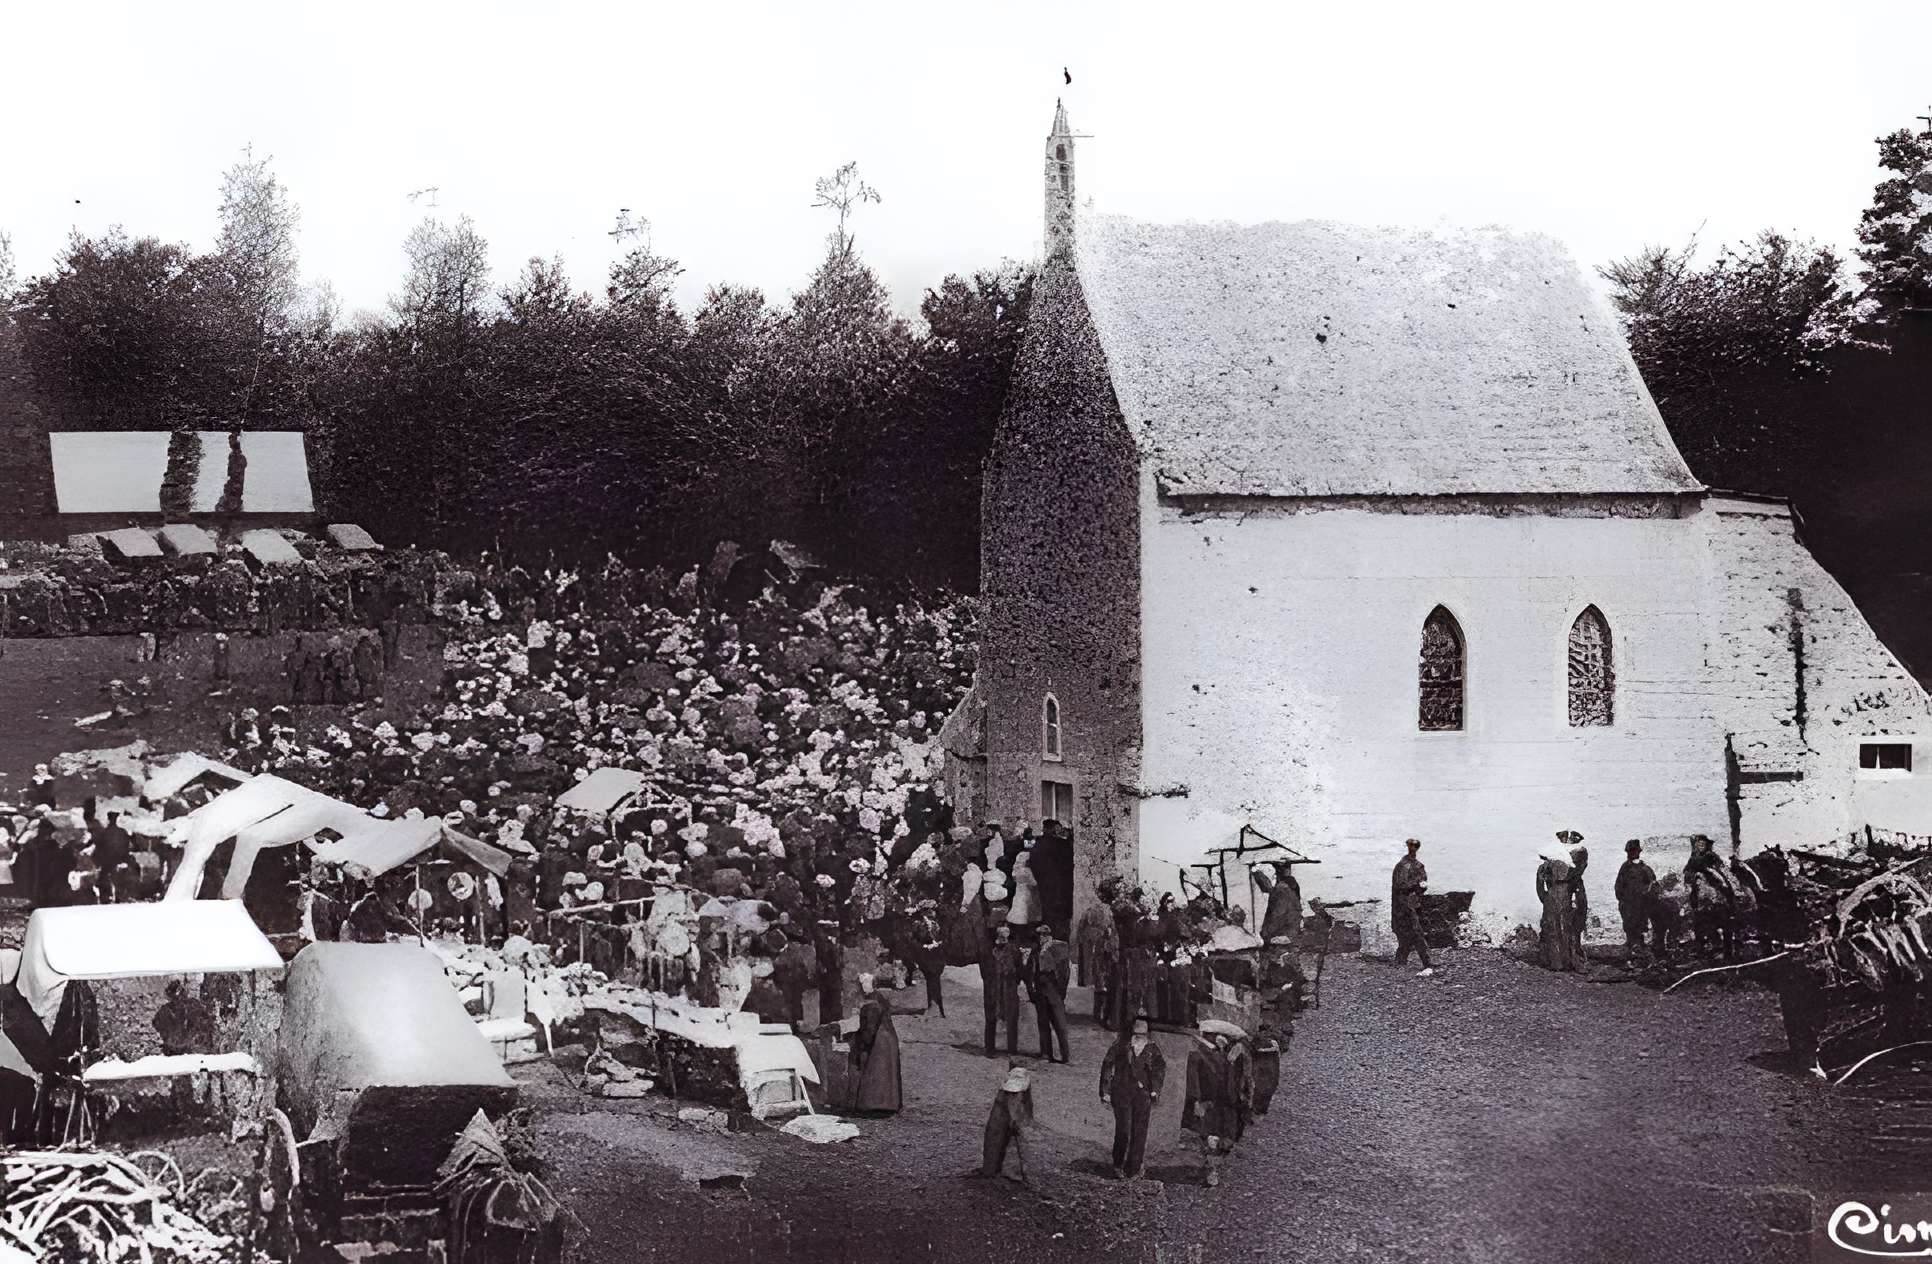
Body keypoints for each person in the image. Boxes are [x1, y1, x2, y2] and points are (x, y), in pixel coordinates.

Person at [1099, 1016, 1165, 1180]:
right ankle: (1118, 1163)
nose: (1139, 1037)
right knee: (1124, 1130)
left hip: (1143, 1095)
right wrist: (1105, 1091)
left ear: (1148, 1034)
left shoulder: (1153, 1049)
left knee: (1140, 1132)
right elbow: (1107, 1064)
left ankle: (1134, 1168)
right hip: (1122, 1092)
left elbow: (1159, 1070)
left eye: (1143, 1034)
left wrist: (1155, 1090)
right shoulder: (1121, 1046)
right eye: (1137, 1033)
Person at [1182, 1027, 1244, 1188]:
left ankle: (1212, 1168)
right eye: (1219, 1036)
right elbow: (1193, 1080)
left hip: (1222, 1102)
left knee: (1220, 1136)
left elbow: (1227, 1077)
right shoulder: (1197, 1053)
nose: (1221, 1039)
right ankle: (1208, 1171)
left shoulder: (1220, 1053)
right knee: (1207, 1137)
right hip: (1206, 1102)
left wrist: (1229, 1057)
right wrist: (1195, 1101)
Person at [848, 973, 903, 1114]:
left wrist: (860, 1041)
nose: (862, 987)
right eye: (862, 984)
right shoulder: (878, 998)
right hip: (888, 1038)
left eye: (864, 984)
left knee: (876, 1070)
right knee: (885, 1072)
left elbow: (870, 1029)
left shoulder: (871, 1004)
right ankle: (888, 1104)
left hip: (880, 1041)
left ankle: (875, 1105)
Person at [974, 1064, 1035, 1185]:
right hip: (1002, 1115)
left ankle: (1004, 1171)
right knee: (996, 1134)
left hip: (1013, 1116)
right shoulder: (1003, 1098)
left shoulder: (1020, 1098)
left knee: (1014, 1139)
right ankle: (992, 1169)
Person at [1073, 876, 1121, 1024]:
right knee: (1105, 981)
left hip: (1099, 950)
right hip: (1106, 950)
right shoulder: (1109, 911)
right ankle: (1102, 1014)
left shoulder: (1092, 910)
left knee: (1101, 982)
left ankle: (1098, 1013)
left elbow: (1081, 932)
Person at [1027, 923, 1072, 1064]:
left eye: (1042, 935)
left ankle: (1065, 1055)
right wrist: (1032, 989)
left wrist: (1061, 989)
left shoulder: (1058, 947)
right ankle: (1046, 1053)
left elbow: (1065, 970)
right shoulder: (1035, 951)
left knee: (1059, 1022)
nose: (1040, 938)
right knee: (1043, 1021)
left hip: (1053, 986)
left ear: (1047, 935)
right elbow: (1030, 970)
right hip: (1040, 986)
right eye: (1039, 936)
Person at [1534, 844, 1581, 972]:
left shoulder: (1561, 866)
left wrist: (1547, 898)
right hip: (1556, 896)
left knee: (1562, 928)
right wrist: (1547, 899)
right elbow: (1540, 887)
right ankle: (1558, 962)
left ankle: (1563, 961)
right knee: (1555, 929)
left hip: (1560, 897)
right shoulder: (1547, 868)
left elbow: (1540, 889)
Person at [1390, 839, 1434, 976]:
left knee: (1411, 933)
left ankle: (1400, 962)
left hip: (1414, 904)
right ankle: (1427, 964)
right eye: (1411, 845)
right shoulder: (1401, 866)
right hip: (1402, 904)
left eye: (1416, 846)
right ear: (1408, 846)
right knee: (1413, 933)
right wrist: (1416, 884)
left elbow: (1423, 882)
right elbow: (1400, 886)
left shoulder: (1419, 866)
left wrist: (1422, 886)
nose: (1413, 848)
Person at [982, 925, 1024, 1057]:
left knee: (1011, 1018)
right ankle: (990, 1049)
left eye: (1006, 936)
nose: (1004, 939)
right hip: (993, 987)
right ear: (997, 936)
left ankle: (1012, 1049)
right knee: (990, 1018)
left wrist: (1014, 981)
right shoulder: (989, 951)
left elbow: (1020, 968)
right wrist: (989, 981)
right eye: (1002, 936)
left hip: (1008, 987)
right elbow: (984, 969)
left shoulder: (1014, 950)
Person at [1614, 840, 1656, 962]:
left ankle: (1639, 945)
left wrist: (1646, 896)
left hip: (1641, 903)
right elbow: (1619, 884)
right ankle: (1631, 943)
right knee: (1628, 923)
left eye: (1634, 851)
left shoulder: (1645, 868)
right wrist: (1621, 898)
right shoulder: (1625, 867)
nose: (1631, 853)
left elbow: (1652, 884)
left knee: (1640, 923)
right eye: (1629, 851)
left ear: (1638, 852)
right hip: (1627, 903)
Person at [1563, 833, 1590, 962]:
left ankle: (1575, 949)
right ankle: (1569, 951)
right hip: (1568, 889)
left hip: (1575, 889)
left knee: (1578, 918)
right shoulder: (1562, 856)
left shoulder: (1581, 854)